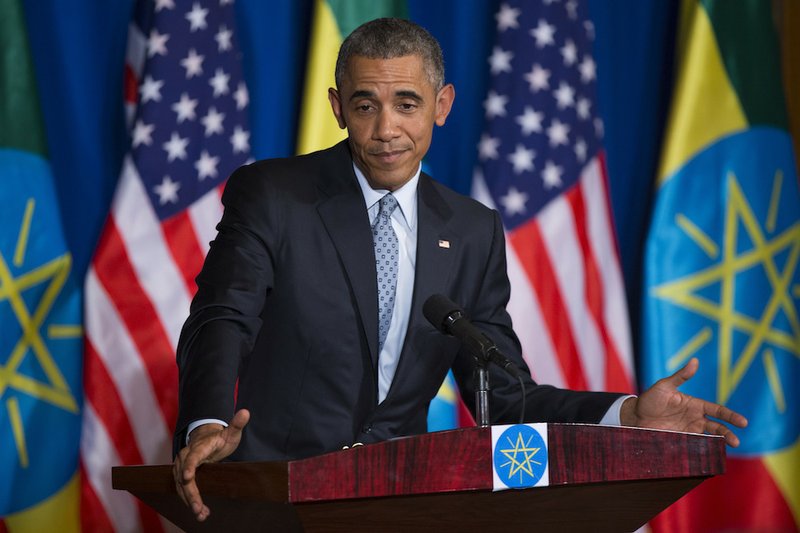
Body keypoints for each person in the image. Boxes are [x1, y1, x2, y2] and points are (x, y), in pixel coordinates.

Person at [172, 18, 747, 522]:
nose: (386, 129)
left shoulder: (473, 230)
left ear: (441, 105)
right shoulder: (274, 195)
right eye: (365, 104)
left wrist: (624, 414)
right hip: (274, 498)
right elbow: (222, 317)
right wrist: (206, 422)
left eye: (407, 103)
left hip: (396, 505)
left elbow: (504, 397)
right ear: (338, 107)